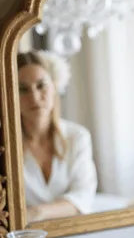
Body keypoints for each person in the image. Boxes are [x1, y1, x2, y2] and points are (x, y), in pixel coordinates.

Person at [17, 50, 97, 222]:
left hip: (74, 232)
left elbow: (83, 197)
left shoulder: (77, 137)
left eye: (41, 85)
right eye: (23, 89)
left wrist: (37, 213)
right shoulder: (5, 147)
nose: (34, 97)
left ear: (54, 86)